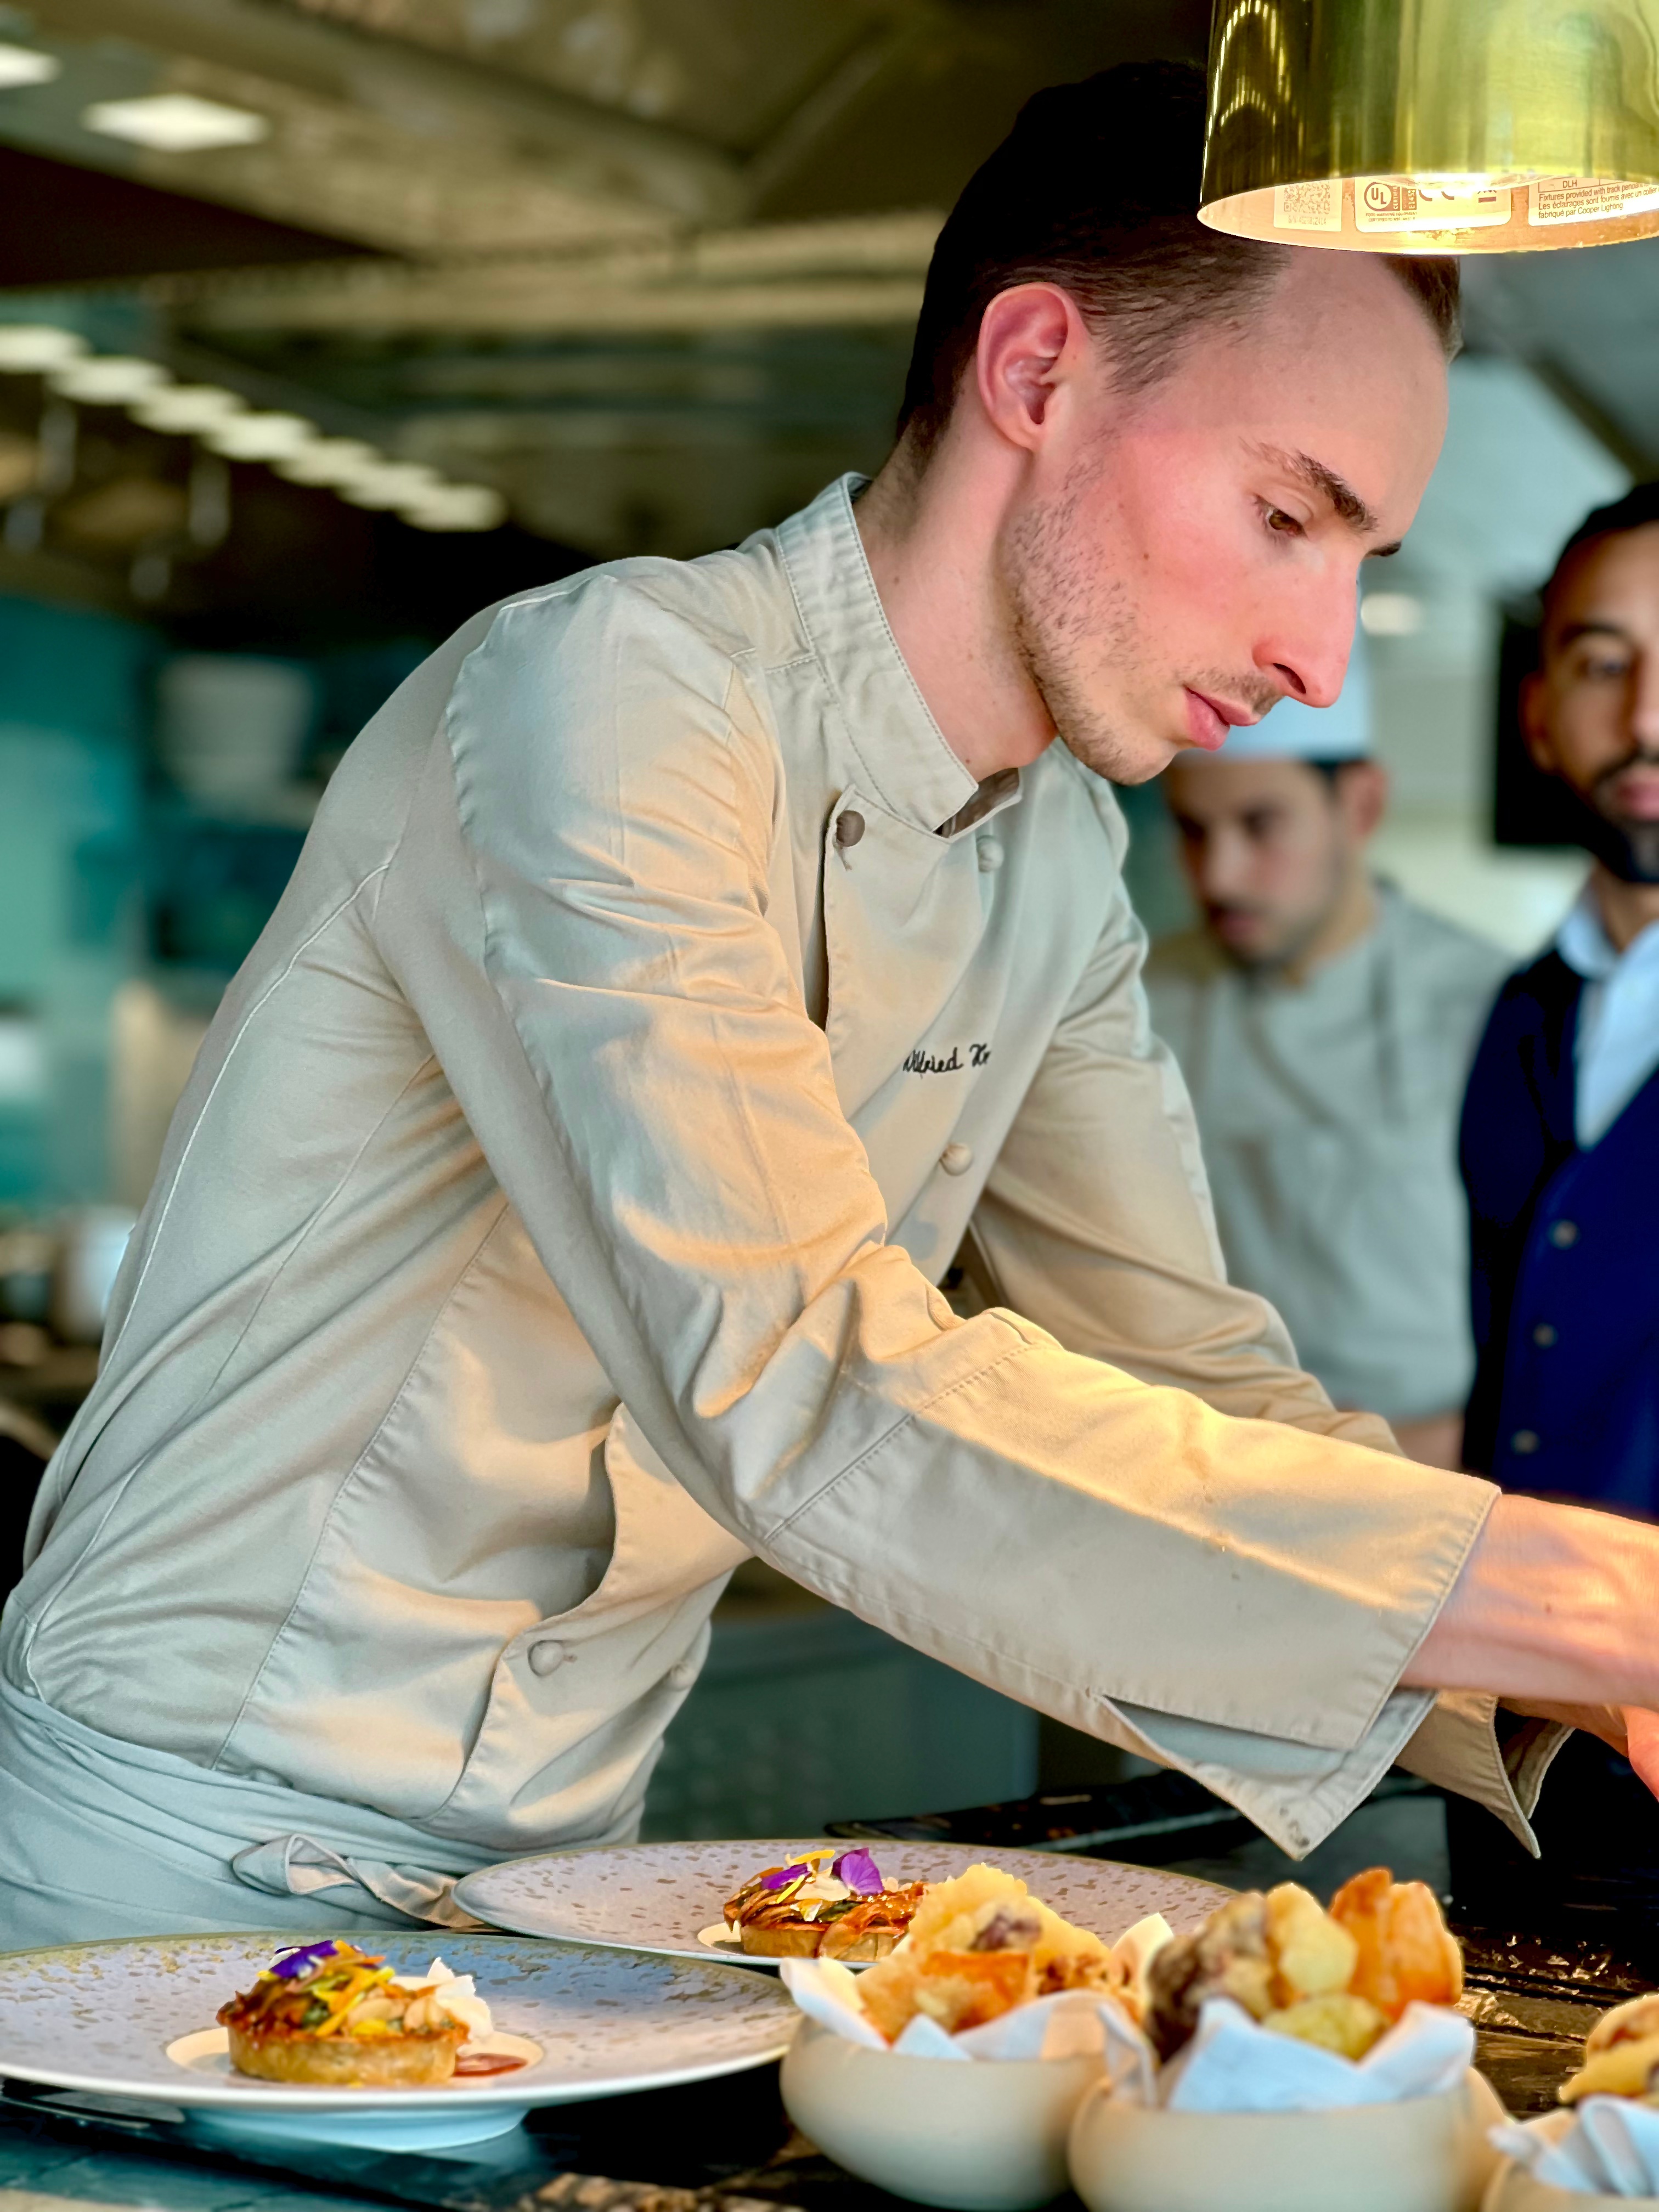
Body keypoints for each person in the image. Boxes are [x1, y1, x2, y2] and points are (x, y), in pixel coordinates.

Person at [4, 63, 1658, 1948]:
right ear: (1036, 372)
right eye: (1289, 515)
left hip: (554, 1866)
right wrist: (1597, 1599)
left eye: (1363, 563)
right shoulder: (611, 691)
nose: (1318, 655)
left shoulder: (1053, 858)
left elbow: (1184, 1377)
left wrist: (1576, 1675)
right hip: (172, 1845)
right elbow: (797, 1372)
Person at [1452, 482, 1659, 1930]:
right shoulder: (1519, 1014)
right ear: (1538, 714)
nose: (1647, 716)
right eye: (1603, 661)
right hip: (1516, 1783)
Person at [1146, 646, 1510, 1466]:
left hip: (1440, 1483)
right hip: (1200, 1470)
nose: (1221, 876)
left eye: (1261, 826)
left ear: (1362, 806)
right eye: (1194, 831)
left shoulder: (1494, 1010)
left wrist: (1393, 1462)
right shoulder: (1131, 999)